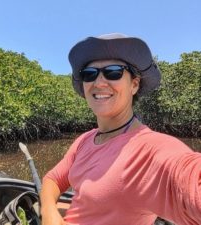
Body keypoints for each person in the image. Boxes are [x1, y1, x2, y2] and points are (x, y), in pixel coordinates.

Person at [40, 33, 201, 225]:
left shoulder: (149, 149)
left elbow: (189, 181)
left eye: (113, 72)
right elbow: (53, 179)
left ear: (134, 84)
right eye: (89, 74)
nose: (99, 82)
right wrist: (50, 213)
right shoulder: (86, 139)